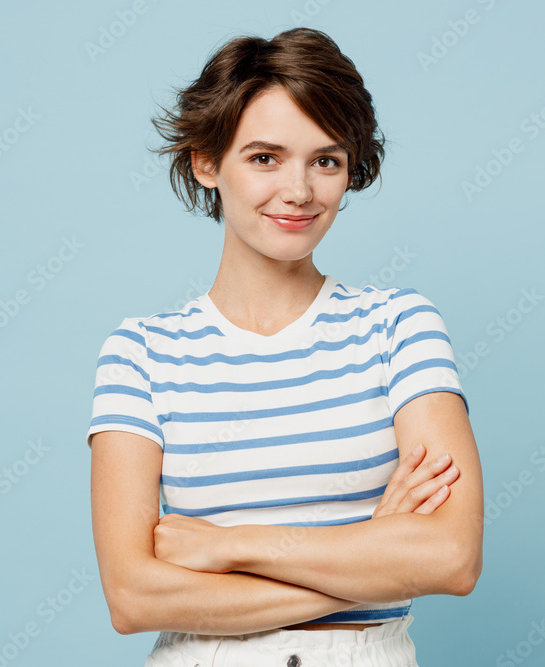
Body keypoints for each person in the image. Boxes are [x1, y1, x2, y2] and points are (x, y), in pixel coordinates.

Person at [87, 27, 484, 667]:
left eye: (324, 160)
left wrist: (232, 546)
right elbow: (133, 596)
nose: (299, 191)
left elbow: (452, 557)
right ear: (207, 162)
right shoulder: (142, 353)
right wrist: (373, 549)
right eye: (265, 157)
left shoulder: (398, 327)